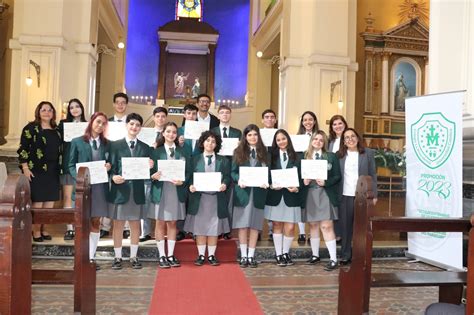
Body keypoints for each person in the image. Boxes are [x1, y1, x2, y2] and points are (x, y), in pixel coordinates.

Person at [108, 113, 152, 270]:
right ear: (126, 125)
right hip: (120, 190)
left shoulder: (145, 147)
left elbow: (149, 172)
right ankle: (117, 256)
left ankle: (134, 256)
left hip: (137, 191)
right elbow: (110, 167)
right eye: (132, 124)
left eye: (138, 125)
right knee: (118, 224)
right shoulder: (114, 145)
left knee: (135, 224)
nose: (134, 127)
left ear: (140, 128)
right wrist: (113, 177)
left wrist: (150, 166)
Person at [68, 112, 111, 270]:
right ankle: (80, 258)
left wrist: (109, 166)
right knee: (81, 224)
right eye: (98, 122)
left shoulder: (107, 144)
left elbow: (111, 162)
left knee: (95, 223)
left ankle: (91, 258)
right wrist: (80, 178)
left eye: (103, 124)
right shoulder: (77, 142)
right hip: (82, 188)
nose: (100, 125)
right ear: (92, 121)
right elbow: (71, 165)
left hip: (99, 188)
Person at [18, 101, 62, 242]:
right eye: (44, 110)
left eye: (50, 110)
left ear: (53, 113)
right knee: (38, 202)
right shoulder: (30, 128)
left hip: (53, 170)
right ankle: (36, 231)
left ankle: (45, 229)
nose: (47, 112)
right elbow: (23, 149)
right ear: (38, 112)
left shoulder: (57, 130)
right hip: (36, 170)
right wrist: (25, 168)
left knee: (49, 203)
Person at [185, 131, 230, 266]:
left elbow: (227, 176)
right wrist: (191, 185)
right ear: (202, 142)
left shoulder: (224, 160)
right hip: (200, 199)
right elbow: (188, 177)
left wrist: (224, 184)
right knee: (200, 228)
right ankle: (200, 255)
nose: (210, 143)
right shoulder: (194, 159)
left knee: (214, 229)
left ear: (216, 144)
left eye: (213, 141)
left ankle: (211, 256)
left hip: (216, 199)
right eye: (207, 140)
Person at [149, 122, 188, 268]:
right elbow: (147, 172)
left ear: (176, 135)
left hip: (175, 190)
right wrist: (153, 176)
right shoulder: (154, 152)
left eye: (174, 132)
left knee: (172, 223)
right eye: (168, 132)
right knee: (160, 223)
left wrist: (182, 180)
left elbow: (188, 172)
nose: (171, 134)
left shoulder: (183, 152)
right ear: (163, 133)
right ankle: (162, 256)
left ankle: (171, 255)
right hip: (161, 190)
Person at [302, 131, 341, 271]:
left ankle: (333, 259)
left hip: (324, 193)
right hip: (310, 194)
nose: (318, 142)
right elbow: (297, 175)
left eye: (321, 140)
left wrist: (326, 182)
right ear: (311, 140)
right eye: (315, 139)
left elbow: (337, 176)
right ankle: (315, 255)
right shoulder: (304, 156)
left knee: (326, 226)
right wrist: (303, 181)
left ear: (324, 143)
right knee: (312, 225)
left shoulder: (331, 156)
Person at [337, 128, 377, 265]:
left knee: (361, 226)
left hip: (362, 195)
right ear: (344, 141)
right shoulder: (340, 155)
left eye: (352, 136)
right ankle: (345, 255)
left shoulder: (368, 153)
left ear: (358, 138)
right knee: (346, 227)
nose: (350, 139)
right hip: (345, 195)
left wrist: (374, 194)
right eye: (347, 137)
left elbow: (373, 174)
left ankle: (361, 255)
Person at [232, 124, 269, 268]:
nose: (253, 137)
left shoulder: (265, 152)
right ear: (245, 137)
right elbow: (233, 172)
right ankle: (243, 256)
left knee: (255, 225)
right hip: (243, 193)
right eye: (249, 135)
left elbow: (268, 172)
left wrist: (267, 181)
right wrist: (239, 180)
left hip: (258, 193)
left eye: (255, 134)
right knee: (242, 225)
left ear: (258, 136)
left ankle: (251, 256)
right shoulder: (238, 151)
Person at [265, 129, 302, 267]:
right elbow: (266, 174)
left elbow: (301, 176)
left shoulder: (298, 156)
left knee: (291, 227)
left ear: (288, 139)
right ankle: (278, 254)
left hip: (291, 195)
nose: (281, 141)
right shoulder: (270, 157)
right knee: (276, 225)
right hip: (275, 195)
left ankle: (285, 252)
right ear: (275, 142)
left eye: (284, 138)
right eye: (278, 140)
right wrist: (271, 185)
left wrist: (297, 187)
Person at [102, 92, 130, 239]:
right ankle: (105, 225)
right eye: (117, 102)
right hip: (108, 159)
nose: (120, 105)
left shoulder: (131, 123)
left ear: (126, 105)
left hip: (124, 160)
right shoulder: (106, 123)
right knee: (107, 190)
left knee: (124, 190)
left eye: (123, 102)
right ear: (113, 104)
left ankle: (125, 227)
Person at [58, 98, 87, 241]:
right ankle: (69, 228)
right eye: (71, 108)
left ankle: (80, 225)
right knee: (68, 196)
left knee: (81, 197)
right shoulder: (63, 124)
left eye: (77, 106)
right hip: (68, 163)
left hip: (83, 165)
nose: (75, 109)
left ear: (82, 108)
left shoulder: (88, 125)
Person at [211, 104, 242, 239]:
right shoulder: (212, 131)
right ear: (218, 115)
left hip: (232, 168)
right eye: (222, 112)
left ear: (230, 115)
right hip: (216, 168)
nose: (225, 115)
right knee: (215, 201)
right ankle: (216, 228)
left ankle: (227, 229)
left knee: (229, 202)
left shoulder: (237, 132)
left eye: (227, 113)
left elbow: (240, 153)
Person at [140, 107, 169, 243]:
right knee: (145, 202)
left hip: (163, 174)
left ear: (166, 118)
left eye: (163, 116)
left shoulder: (169, 134)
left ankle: (163, 232)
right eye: (158, 116)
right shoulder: (144, 133)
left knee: (162, 203)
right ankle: (145, 231)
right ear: (153, 117)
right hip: (147, 172)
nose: (160, 119)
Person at [296, 110, 320, 245]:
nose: (308, 122)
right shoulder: (297, 137)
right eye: (305, 120)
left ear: (315, 121)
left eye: (310, 119)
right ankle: (301, 232)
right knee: (301, 202)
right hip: (301, 172)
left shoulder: (320, 136)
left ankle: (312, 233)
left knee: (312, 202)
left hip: (316, 172)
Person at [327, 114, 348, 244]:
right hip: (333, 178)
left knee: (343, 207)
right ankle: (336, 234)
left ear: (344, 124)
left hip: (345, 177)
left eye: (340, 123)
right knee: (334, 205)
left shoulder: (349, 139)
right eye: (334, 124)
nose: (337, 126)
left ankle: (344, 234)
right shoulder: (330, 141)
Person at [260, 109, 278, 241]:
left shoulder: (279, 134)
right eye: (266, 117)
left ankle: (272, 229)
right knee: (260, 200)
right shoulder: (258, 134)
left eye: (272, 117)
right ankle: (258, 229)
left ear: (275, 120)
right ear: (262, 120)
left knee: (272, 199)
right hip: (260, 169)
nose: (269, 119)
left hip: (275, 169)